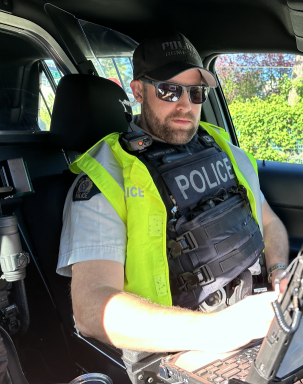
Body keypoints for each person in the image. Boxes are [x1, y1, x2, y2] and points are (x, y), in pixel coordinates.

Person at [56, 32, 290, 354]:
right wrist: (220, 330)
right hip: (180, 351)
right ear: (138, 91)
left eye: (196, 93)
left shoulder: (221, 146)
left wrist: (280, 273)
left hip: (257, 321)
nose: (185, 104)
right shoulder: (105, 178)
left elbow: (268, 222)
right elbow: (91, 306)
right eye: (169, 89)